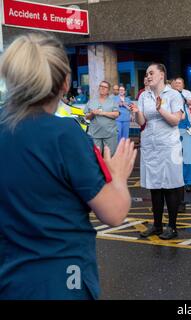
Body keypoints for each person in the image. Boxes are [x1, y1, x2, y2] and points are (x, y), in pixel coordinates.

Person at [0, 33, 137, 300]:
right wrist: (119, 177)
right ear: (65, 82)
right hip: (63, 280)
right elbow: (114, 212)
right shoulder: (64, 135)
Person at [131, 63, 184, 240]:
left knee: (169, 186)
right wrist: (137, 112)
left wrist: (160, 108)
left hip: (168, 144)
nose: (148, 76)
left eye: (151, 73)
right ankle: (157, 225)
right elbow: (141, 121)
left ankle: (172, 226)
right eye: (146, 73)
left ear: (162, 75)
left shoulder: (174, 94)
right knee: (154, 187)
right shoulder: (144, 95)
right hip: (150, 144)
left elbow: (175, 121)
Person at [172, 77, 191, 193]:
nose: (177, 84)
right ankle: (177, 181)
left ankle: (188, 182)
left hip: (185, 126)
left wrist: (181, 96)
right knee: (174, 156)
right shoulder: (169, 94)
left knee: (187, 155)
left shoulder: (187, 93)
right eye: (175, 83)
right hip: (174, 126)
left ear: (183, 84)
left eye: (179, 83)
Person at [84, 81, 120, 155]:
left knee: (109, 157)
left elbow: (116, 114)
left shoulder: (112, 102)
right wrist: (92, 113)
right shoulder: (91, 102)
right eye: (101, 86)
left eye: (105, 87)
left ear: (108, 90)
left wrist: (102, 113)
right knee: (96, 158)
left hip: (110, 135)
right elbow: (86, 117)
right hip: (95, 134)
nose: (102, 88)